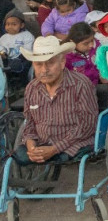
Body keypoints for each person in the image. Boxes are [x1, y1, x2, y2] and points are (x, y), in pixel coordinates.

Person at [15, 36, 98, 166]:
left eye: (50, 63)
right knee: (20, 156)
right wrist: (32, 148)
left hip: (73, 143)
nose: (44, 70)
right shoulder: (31, 88)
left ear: (62, 62)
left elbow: (87, 126)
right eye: (38, 64)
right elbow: (29, 124)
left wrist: (54, 149)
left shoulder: (81, 84)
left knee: (62, 156)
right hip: (42, 142)